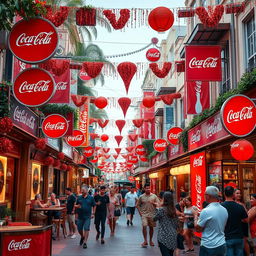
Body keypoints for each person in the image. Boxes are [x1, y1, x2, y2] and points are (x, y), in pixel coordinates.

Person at [195, 186, 228, 256]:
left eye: (204, 194)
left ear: (208, 196)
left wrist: (195, 216)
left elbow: (198, 229)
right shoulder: (224, 210)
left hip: (208, 245)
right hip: (222, 243)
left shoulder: (206, 211)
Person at [221, 186, 248, 256]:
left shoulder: (221, 206)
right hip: (239, 236)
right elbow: (246, 220)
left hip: (227, 237)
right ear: (233, 194)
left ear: (224, 194)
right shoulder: (240, 206)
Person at [153, 192, 179, 256]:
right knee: (170, 254)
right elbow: (176, 224)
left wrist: (157, 207)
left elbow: (154, 218)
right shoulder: (174, 210)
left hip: (163, 235)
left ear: (164, 199)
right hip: (173, 235)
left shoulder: (162, 210)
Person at [136, 183, 159, 248]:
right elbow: (137, 205)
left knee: (151, 227)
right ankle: (145, 240)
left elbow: (158, 204)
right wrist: (140, 213)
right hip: (144, 214)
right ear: (144, 189)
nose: (148, 189)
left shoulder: (154, 196)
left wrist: (153, 203)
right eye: (146, 188)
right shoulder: (141, 196)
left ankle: (151, 240)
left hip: (152, 214)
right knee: (144, 226)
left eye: (149, 188)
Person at [234, 188, 250, 256]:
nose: (239, 195)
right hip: (235, 225)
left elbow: (246, 216)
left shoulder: (242, 204)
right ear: (233, 194)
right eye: (237, 193)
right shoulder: (232, 203)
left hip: (243, 225)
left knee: (244, 241)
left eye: (240, 193)